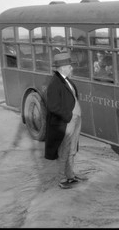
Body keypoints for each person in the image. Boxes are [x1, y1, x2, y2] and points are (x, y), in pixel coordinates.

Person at [45, 52, 88, 189]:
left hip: (74, 120)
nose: (72, 68)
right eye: (69, 66)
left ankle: (70, 176)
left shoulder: (65, 80)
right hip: (68, 121)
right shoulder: (55, 83)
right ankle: (62, 179)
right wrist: (68, 116)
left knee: (72, 148)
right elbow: (52, 106)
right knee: (64, 150)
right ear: (62, 67)